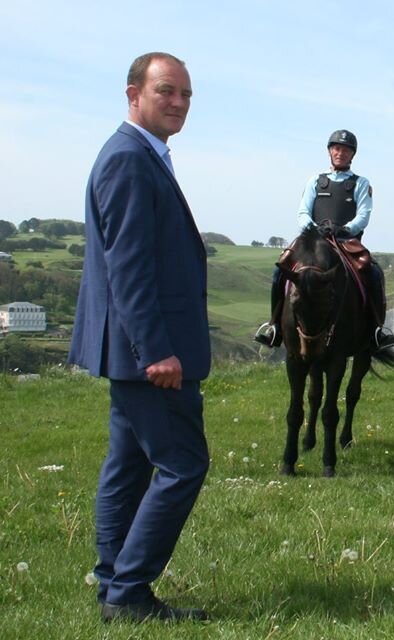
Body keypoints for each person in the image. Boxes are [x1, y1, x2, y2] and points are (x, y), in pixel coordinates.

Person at [68, 52, 210, 622]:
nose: (177, 103)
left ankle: (111, 582)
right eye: (166, 92)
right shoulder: (129, 159)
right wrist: (155, 351)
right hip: (151, 353)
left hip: (136, 352)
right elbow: (128, 268)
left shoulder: (142, 154)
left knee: (128, 465)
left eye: (185, 96)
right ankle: (128, 594)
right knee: (182, 466)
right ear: (134, 94)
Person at [254, 130, 394, 352]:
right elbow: (302, 212)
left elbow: (364, 215)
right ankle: (274, 327)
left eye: (346, 150)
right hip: (313, 240)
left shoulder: (360, 183)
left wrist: (344, 228)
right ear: (330, 151)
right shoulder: (315, 181)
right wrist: (313, 227)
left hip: (345, 240)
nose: (341, 153)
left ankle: (377, 330)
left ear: (352, 155)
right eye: (337, 149)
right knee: (279, 270)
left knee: (374, 272)